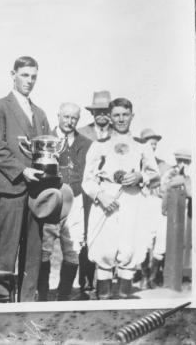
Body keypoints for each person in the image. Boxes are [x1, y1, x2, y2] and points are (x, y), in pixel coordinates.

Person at [0, 56, 50, 302]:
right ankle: (0, 302)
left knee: (33, 251)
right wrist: (23, 170)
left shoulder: (40, 114)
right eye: (24, 75)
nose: (29, 81)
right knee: (7, 249)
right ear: (13, 74)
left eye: (33, 76)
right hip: (11, 188)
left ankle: (26, 303)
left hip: (36, 193)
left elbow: (47, 152)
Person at [82, 98, 159, 299]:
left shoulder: (142, 146)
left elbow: (155, 175)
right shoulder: (99, 145)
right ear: (109, 117)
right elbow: (87, 180)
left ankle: (124, 302)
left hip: (133, 202)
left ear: (132, 116)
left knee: (129, 250)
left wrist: (141, 176)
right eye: (116, 115)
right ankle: (103, 302)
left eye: (125, 115)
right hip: (106, 203)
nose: (121, 119)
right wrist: (100, 195)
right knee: (104, 252)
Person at [37, 103, 92, 301]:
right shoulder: (45, 139)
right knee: (44, 248)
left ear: (78, 119)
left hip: (75, 200)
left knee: (73, 248)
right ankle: (42, 294)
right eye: (66, 117)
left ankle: (64, 294)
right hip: (51, 200)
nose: (69, 122)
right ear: (58, 115)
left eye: (74, 118)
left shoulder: (85, 143)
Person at [76, 90, 113, 292]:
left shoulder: (118, 135)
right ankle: (86, 282)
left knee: (109, 236)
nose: (102, 115)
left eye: (106, 111)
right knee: (86, 236)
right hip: (87, 194)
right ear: (92, 113)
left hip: (111, 194)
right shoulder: (82, 133)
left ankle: (106, 283)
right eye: (98, 111)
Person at [138, 128, 172, 288]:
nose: (152, 147)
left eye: (154, 144)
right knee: (144, 243)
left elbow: (168, 186)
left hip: (158, 206)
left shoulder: (163, 165)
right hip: (142, 205)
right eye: (149, 144)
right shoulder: (136, 164)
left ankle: (152, 276)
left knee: (161, 243)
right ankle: (144, 276)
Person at [158, 148, 194, 285]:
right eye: (181, 161)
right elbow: (164, 190)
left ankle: (182, 274)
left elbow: (190, 193)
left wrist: (184, 181)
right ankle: (168, 276)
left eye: (186, 161)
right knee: (170, 243)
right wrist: (164, 206)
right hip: (173, 210)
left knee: (184, 242)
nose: (183, 164)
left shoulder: (189, 176)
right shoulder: (170, 173)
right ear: (177, 161)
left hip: (186, 209)